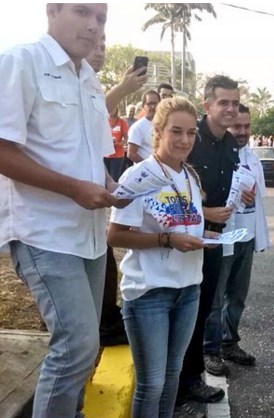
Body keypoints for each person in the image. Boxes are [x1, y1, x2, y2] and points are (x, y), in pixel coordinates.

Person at [0, 4, 125, 417]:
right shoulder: (22, 61)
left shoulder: (88, 79)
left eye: (101, 18)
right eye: (82, 11)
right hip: (43, 232)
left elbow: (95, 159)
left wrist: (116, 187)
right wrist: (74, 189)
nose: (93, 25)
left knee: (84, 350)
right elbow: (2, 152)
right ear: (52, 11)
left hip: (89, 234)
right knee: (75, 346)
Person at [108, 96, 212, 418]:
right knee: (151, 385)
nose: (184, 140)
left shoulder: (190, 177)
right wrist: (167, 240)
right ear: (159, 132)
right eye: (176, 131)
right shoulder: (137, 177)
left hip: (189, 289)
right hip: (149, 292)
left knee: (171, 379)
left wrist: (205, 238)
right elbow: (115, 235)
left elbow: (187, 225)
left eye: (191, 133)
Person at [176, 75, 245, 408]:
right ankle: (180, 385)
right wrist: (205, 212)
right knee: (183, 315)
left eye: (235, 102)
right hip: (182, 240)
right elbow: (168, 190)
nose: (231, 109)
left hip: (214, 241)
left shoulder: (230, 143)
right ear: (207, 106)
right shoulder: (191, 139)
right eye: (224, 103)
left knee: (202, 311)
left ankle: (191, 380)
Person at [85, 36, 148, 348]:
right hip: (57, 221)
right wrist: (123, 89)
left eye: (104, 46)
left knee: (106, 276)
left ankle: (104, 323)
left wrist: (114, 186)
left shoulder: (90, 85)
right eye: (95, 45)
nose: (100, 52)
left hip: (91, 215)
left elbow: (94, 153)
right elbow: (87, 121)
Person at [204, 104, 269, 376]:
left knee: (238, 296)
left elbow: (261, 199)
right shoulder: (218, 155)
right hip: (225, 236)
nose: (242, 132)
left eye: (246, 127)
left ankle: (230, 343)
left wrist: (259, 237)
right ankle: (210, 349)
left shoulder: (253, 157)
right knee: (216, 297)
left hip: (246, 236)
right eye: (237, 127)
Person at [127, 90, 160, 163]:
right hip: (146, 172)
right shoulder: (138, 127)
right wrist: (149, 166)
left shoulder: (164, 124)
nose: (153, 107)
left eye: (155, 103)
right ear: (143, 106)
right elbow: (131, 154)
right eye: (149, 104)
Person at [104, 107, 128, 181]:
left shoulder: (121, 122)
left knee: (114, 178)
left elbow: (126, 138)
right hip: (105, 154)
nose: (111, 110)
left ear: (116, 109)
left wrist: (119, 144)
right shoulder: (104, 121)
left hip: (117, 155)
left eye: (113, 108)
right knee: (104, 179)